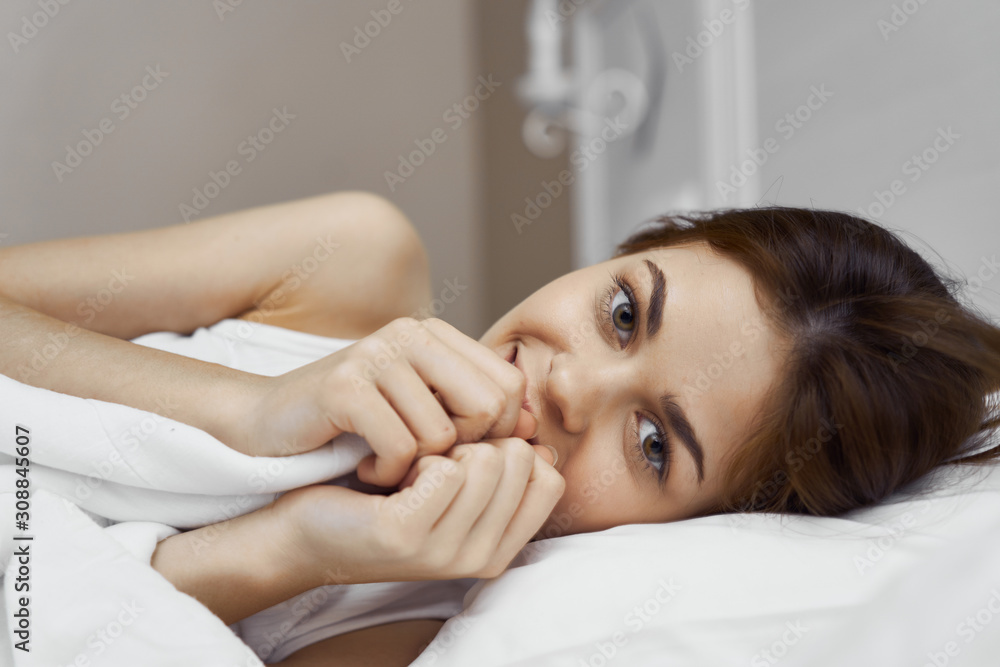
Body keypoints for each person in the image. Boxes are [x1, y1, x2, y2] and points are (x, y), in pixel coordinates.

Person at [1, 191, 998, 665]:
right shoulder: (346, 259)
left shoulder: (415, 626)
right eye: (623, 314)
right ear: (629, 250)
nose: (573, 388)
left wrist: (291, 547)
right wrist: (255, 412)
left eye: (654, 445)